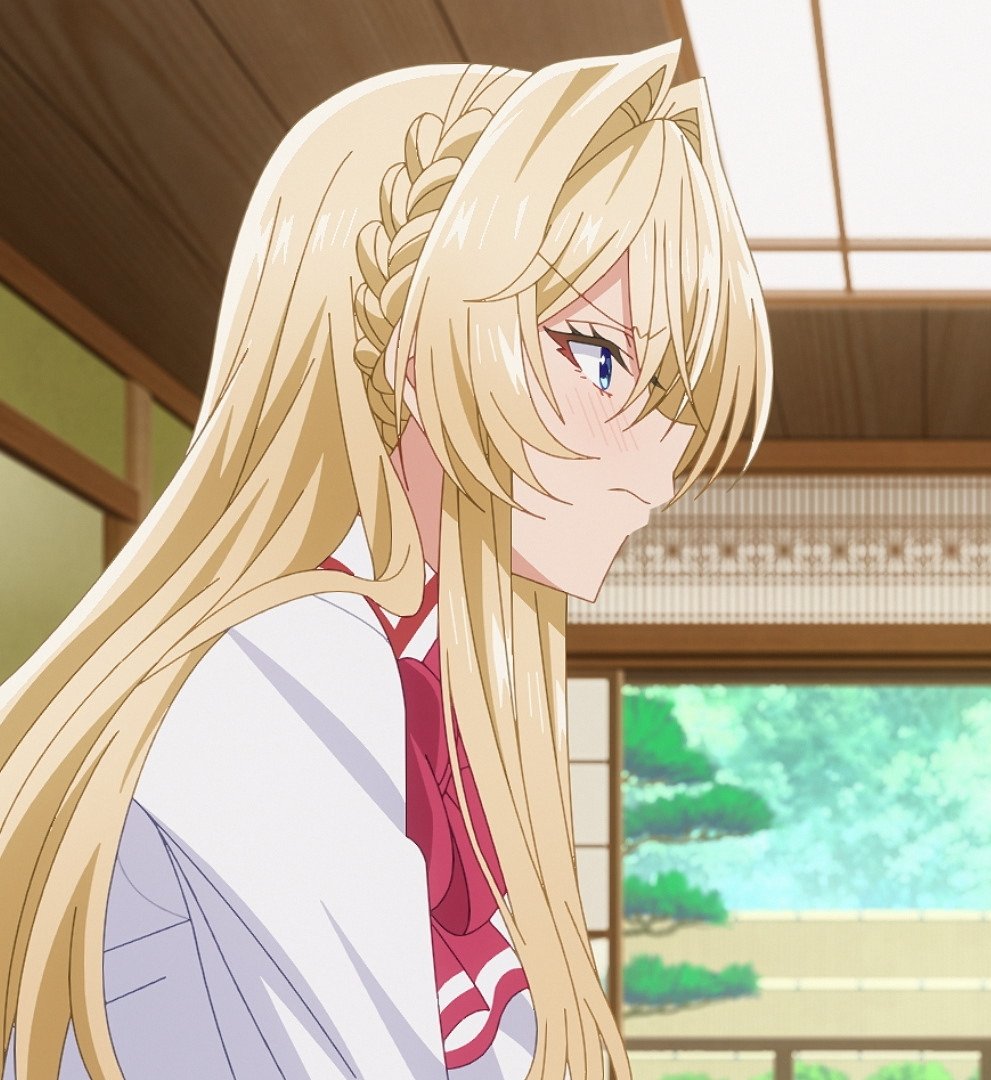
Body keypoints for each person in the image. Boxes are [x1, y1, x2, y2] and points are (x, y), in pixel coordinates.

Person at [0, 42, 770, 1079]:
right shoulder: (279, 670)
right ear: (414, 343)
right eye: (599, 359)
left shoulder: (425, 671)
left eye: (676, 404)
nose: (661, 466)